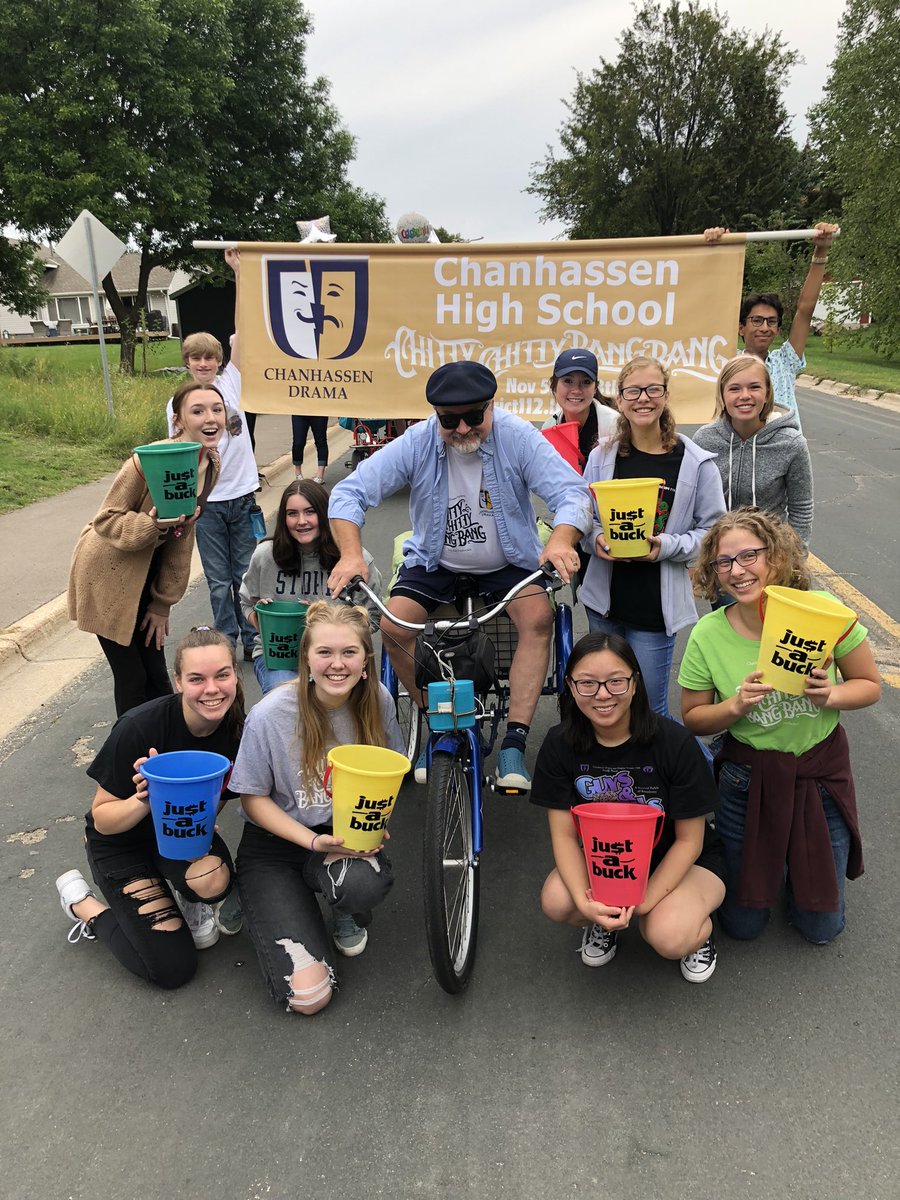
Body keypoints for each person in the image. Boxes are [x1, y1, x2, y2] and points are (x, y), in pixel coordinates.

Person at [327, 359, 592, 791]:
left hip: (507, 561)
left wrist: (561, 539)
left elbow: (572, 493)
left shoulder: (518, 436)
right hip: (436, 560)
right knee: (394, 626)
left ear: (492, 406)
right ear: (436, 416)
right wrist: (351, 555)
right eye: (450, 420)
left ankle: (514, 742)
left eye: (474, 416)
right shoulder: (416, 441)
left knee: (540, 619)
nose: (463, 428)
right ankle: (436, 719)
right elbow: (349, 492)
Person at [679, 509, 881, 943]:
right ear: (714, 573)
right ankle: (767, 859)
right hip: (745, 777)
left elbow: (869, 685)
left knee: (821, 929)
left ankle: (795, 865)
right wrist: (733, 707)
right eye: (724, 562)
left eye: (749, 555)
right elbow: (693, 718)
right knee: (742, 926)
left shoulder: (824, 613)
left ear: (777, 556)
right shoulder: (709, 633)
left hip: (817, 776)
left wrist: (832, 695)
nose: (738, 570)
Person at [229, 602, 405, 1014]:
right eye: (325, 652)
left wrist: (376, 822)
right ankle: (264, 896)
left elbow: (389, 772)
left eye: (349, 652)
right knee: (309, 998)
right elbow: (252, 800)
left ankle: (341, 902)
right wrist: (312, 842)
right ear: (306, 658)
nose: (337, 664)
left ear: (366, 660)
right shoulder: (270, 714)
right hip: (276, 844)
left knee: (360, 884)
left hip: (341, 833)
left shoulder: (378, 700)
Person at [55, 628, 245, 987]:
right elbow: (103, 820)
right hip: (119, 842)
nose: (212, 689)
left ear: (235, 674)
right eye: (196, 679)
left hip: (176, 833)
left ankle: (183, 894)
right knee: (173, 970)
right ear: (177, 682)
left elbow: (219, 796)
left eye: (222, 675)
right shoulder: (139, 727)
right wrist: (146, 798)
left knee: (214, 881)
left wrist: (202, 821)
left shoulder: (237, 730)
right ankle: (85, 906)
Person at [533, 633, 725, 982]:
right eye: (588, 684)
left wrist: (643, 901)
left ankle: (698, 932)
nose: (603, 694)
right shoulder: (559, 744)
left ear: (635, 684)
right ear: (571, 687)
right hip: (608, 860)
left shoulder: (674, 742)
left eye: (616, 682)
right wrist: (586, 901)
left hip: (684, 860)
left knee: (668, 935)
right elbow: (562, 835)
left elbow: (689, 841)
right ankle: (605, 920)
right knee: (559, 899)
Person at [580, 355, 725, 718]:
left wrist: (665, 547)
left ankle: (668, 773)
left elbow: (713, 532)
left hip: (655, 611)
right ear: (619, 398)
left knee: (649, 710)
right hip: (605, 604)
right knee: (607, 704)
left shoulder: (695, 462)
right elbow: (581, 517)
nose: (643, 398)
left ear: (665, 394)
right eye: (633, 391)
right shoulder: (602, 457)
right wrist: (596, 539)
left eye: (652, 389)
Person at [68, 380, 225, 716]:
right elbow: (106, 520)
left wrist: (163, 602)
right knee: (132, 679)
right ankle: (128, 759)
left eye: (217, 409)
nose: (210, 417)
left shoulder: (210, 463)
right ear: (180, 420)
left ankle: (164, 753)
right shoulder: (148, 460)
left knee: (156, 675)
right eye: (198, 411)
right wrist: (152, 526)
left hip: (147, 571)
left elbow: (182, 536)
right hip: (109, 571)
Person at [165, 249, 259, 661]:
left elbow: (244, 328)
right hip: (206, 503)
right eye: (196, 357)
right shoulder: (177, 403)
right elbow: (174, 457)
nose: (203, 363)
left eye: (210, 357)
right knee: (218, 580)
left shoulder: (232, 383)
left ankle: (254, 638)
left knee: (247, 575)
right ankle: (226, 640)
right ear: (187, 362)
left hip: (241, 496)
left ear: (219, 360)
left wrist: (238, 273)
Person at [239, 480, 384, 694]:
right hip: (281, 658)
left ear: (325, 515)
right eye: (292, 514)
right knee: (287, 698)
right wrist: (263, 620)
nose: (301, 521)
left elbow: (374, 616)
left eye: (310, 512)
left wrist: (328, 618)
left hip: (335, 658)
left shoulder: (354, 560)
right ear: (283, 519)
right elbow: (246, 602)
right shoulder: (265, 556)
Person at [704, 222, 840, 427]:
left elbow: (805, 310)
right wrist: (721, 252)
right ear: (741, 327)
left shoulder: (785, 361)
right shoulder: (727, 362)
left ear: (777, 329)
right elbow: (713, 305)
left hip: (784, 448)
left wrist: (821, 250)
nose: (765, 328)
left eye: (771, 322)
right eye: (756, 320)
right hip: (743, 446)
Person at [692, 356, 814, 547]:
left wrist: (795, 558)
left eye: (754, 387)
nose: (745, 395)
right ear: (722, 395)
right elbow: (694, 503)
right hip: (718, 554)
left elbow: (801, 509)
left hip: (771, 554)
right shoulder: (704, 440)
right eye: (734, 389)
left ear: (767, 394)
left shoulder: (791, 443)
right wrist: (695, 558)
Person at [541, 348, 618, 468]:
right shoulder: (549, 427)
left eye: (586, 382)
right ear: (553, 384)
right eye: (568, 381)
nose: (576, 390)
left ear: (595, 388)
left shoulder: (615, 425)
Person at [291, 414, 329, 484]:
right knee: (298, 442)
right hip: (299, 410)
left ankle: (320, 475)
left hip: (319, 410)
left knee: (321, 441)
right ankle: (298, 473)